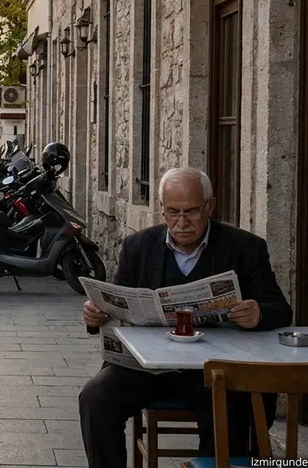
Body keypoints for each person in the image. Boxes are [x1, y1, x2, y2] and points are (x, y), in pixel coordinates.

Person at [78, 167, 292, 467]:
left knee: (229, 408)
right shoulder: (137, 246)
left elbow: (280, 309)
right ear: (162, 209)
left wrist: (258, 313)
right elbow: (117, 305)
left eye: (191, 212)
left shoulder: (245, 247)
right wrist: (95, 315)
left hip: (212, 371)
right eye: (172, 212)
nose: (181, 223)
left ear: (210, 207)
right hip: (146, 369)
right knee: (95, 397)